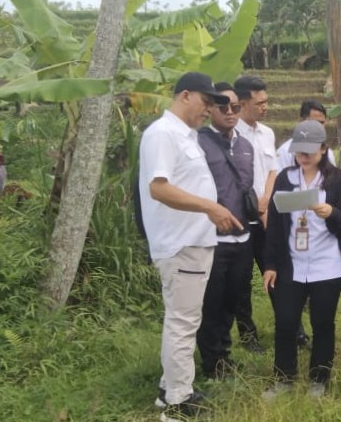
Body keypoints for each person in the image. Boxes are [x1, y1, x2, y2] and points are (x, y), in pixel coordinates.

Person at [138, 71, 242, 422]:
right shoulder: (163, 134)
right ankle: (179, 403)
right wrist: (211, 207)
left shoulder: (185, 136)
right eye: (206, 101)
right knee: (183, 322)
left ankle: (171, 387)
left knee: (184, 319)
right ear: (185, 95)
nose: (209, 109)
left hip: (194, 242)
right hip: (181, 243)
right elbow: (159, 188)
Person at [261, 120, 341, 399]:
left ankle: (320, 378)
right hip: (291, 263)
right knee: (286, 321)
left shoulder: (336, 180)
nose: (303, 157)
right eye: (299, 151)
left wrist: (331, 213)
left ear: (324, 149)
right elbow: (275, 226)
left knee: (323, 322)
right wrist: (270, 264)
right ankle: (284, 378)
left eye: (310, 152)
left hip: (327, 264)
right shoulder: (285, 179)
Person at [195, 82, 256, 380]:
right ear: (211, 110)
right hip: (212, 239)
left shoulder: (245, 145)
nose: (231, 113)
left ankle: (224, 354)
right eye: (224, 108)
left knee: (232, 299)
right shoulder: (199, 143)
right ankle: (211, 361)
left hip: (243, 238)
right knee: (212, 302)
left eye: (235, 107)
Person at [232, 75, 277, 353]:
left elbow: (272, 169)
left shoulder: (268, 133)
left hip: (267, 216)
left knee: (278, 274)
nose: (265, 107)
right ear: (243, 103)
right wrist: (255, 206)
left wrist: (266, 200)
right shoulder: (231, 134)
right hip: (241, 219)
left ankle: (292, 329)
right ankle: (248, 336)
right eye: (259, 103)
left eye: (266, 101)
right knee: (241, 281)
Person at [276, 100, 336, 170]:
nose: (318, 127)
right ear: (302, 121)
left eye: (321, 123)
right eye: (314, 122)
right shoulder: (285, 152)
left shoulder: (328, 153)